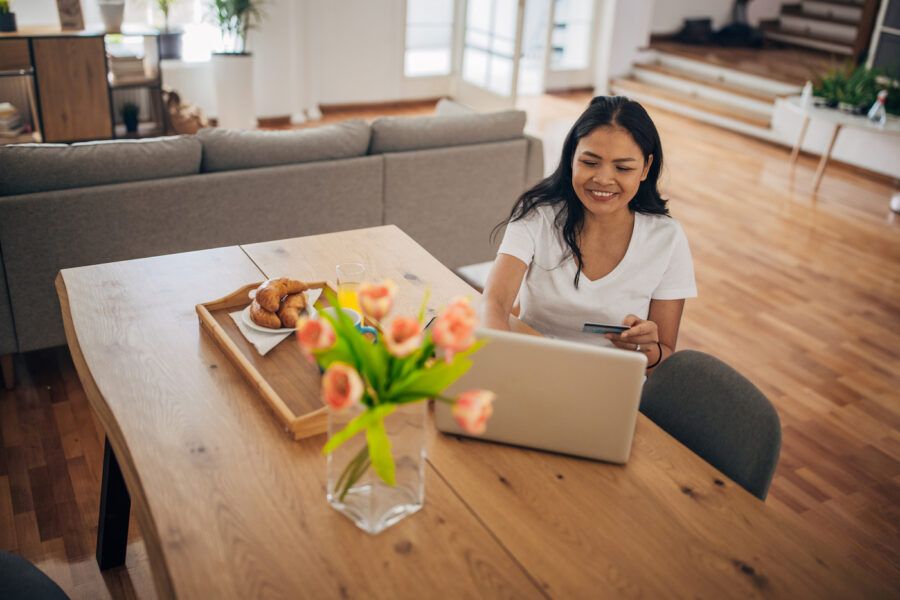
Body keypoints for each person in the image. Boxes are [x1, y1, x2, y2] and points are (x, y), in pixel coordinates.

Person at [482, 96, 696, 370]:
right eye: (590, 162)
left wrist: (645, 348)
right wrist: (499, 360)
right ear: (572, 157)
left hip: (612, 384)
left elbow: (664, 354)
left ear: (645, 168)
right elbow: (495, 303)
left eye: (623, 168)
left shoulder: (667, 238)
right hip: (533, 367)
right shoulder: (538, 215)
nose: (603, 179)